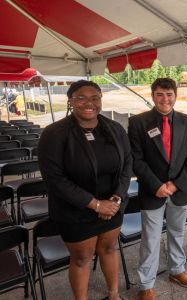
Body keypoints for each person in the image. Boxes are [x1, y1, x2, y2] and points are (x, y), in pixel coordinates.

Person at [38, 80, 132, 300]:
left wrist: (116, 199)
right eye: (81, 97)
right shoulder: (54, 134)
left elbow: (128, 165)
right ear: (70, 101)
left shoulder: (115, 128)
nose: (89, 103)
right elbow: (55, 179)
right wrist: (96, 204)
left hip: (112, 206)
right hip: (75, 210)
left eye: (95, 97)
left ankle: (114, 294)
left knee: (109, 249)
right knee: (82, 258)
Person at [128, 78, 187, 300]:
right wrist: (157, 185)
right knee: (150, 238)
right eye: (160, 94)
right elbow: (136, 159)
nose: (165, 99)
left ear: (175, 96)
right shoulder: (138, 123)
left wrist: (175, 183)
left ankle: (177, 270)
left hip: (180, 190)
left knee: (177, 233)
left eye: (169, 94)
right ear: (153, 96)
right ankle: (146, 284)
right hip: (152, 191)